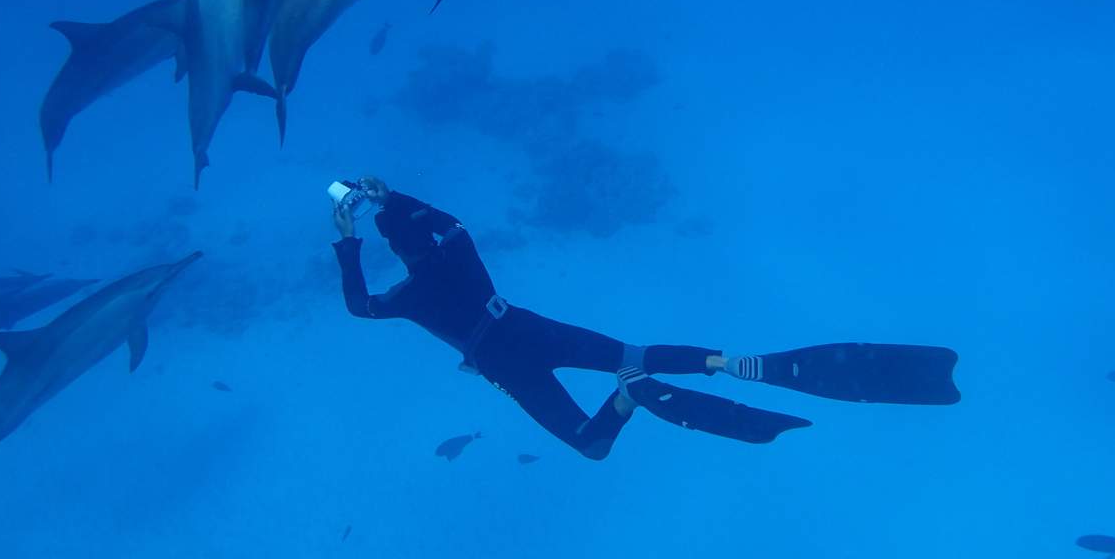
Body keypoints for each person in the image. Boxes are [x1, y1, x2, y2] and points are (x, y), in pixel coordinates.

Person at [332, 178, 960, 460]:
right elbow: (451, 224)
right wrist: (393, 199)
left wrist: (346, 240)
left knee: (591, 444)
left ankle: (632, 401)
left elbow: (360, 306)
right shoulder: (456, 248)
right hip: (528, 325)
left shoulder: (411, 295)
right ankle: (719, 361)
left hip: (498, 357)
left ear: (399, 254)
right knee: (631, 350)